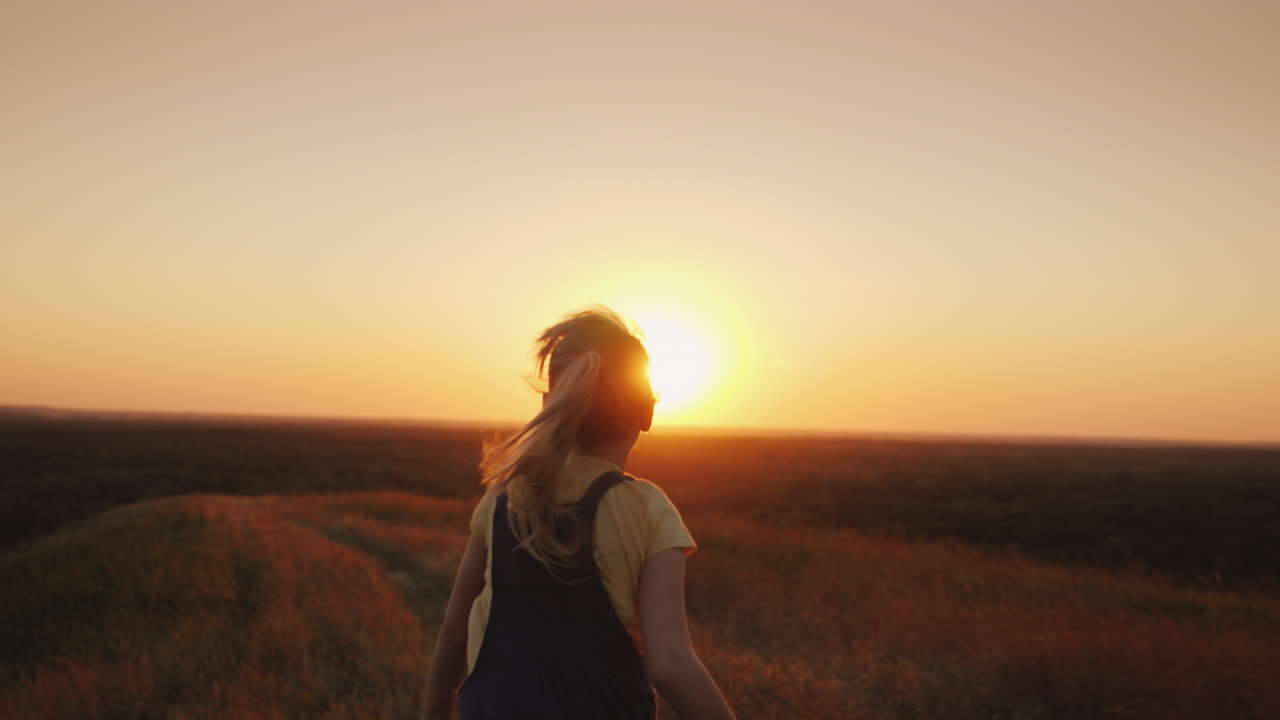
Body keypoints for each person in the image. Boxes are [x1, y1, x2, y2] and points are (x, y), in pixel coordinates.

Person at [423, 307, 737, 720]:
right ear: (647, 411)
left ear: (548, 404)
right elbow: (670, 665)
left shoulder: (504, 499)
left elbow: (454, 632)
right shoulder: (649, 510)